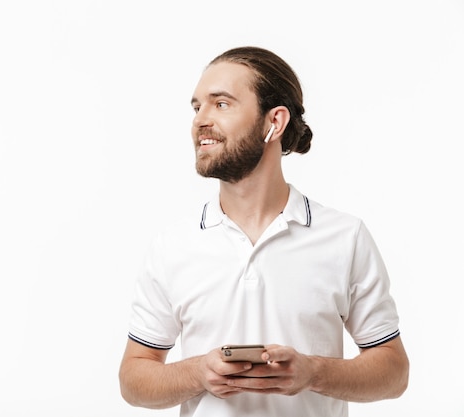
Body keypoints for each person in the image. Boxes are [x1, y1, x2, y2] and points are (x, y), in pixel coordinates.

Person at [118, 46, 409, 417]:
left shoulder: (345, 237)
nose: (200, 120)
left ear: (275, 122)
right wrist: (197, 373)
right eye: (197, 107)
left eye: (221, 104)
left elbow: (394, 372)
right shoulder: (172, 246)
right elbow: (133, 379)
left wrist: (313, 372)